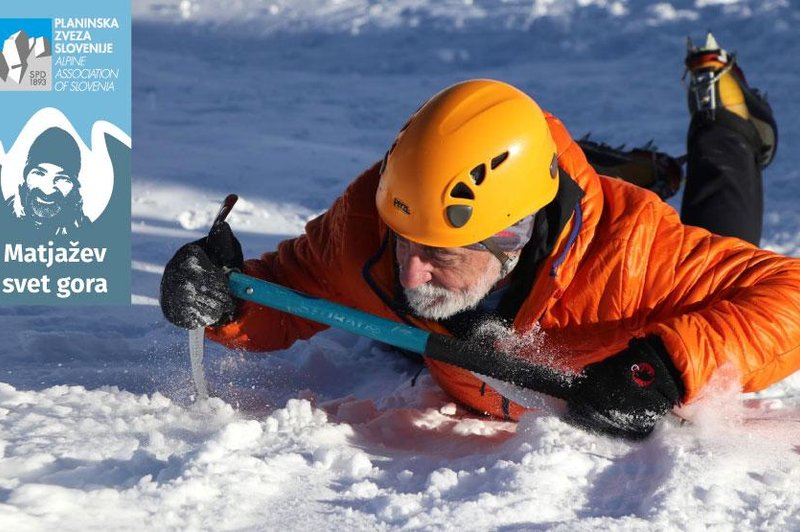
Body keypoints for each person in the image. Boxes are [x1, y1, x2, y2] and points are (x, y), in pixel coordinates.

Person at [160, 35, 799, 439]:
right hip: (482, 330)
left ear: (512, 235)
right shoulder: (368, 227)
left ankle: (727, 122)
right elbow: (282, 292)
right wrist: (223, 300)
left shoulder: (637, 254)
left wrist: (661, 368)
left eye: (438, 253)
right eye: (406, 241)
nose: (407, 276)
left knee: (721, 225)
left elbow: (790, 296)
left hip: (640, 277)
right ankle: (609, 164)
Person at [2, 126, 90, 236]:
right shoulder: (4, 218)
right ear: (26, 176)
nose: (48, 189)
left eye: (62, 178)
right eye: (39, 173)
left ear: (74, 186)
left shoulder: (87, 233)